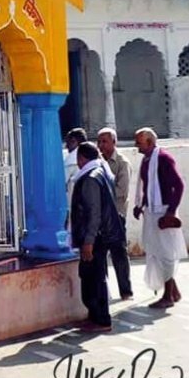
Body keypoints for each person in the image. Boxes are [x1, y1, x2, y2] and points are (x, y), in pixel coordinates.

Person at [69, 141, 124, 333]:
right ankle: (95, 316)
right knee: (91, 275)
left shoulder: (91, 178)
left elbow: (94, 213)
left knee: (94, 277)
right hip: (100, 235)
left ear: (81, 158)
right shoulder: (100, 172)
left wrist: (89, 241)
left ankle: (101, 319)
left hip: (95, 237)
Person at [132, 127, 187, 309]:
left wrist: (171, 211)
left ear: (149, 142)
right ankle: (174, 291)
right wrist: (140, 206)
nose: (136, 146)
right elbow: (147, 186)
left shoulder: (163, 158)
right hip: (151, 211)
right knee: (155, 251)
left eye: (139, 142)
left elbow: (178, 185)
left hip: (163, 211)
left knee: (166, 254)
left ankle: (167, 296)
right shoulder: (147, 161)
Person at [96, 127, 133, 301]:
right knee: (100, 254)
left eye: (104, 141)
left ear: (114, 142)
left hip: (116, 216)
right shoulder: (97, 162)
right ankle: (105, 291)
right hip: (100, 217)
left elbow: (121, 191)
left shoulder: (122, 163)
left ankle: (126, 291)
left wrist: (100, 196)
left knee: (119, 254)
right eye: (99, 141)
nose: (101, 145)